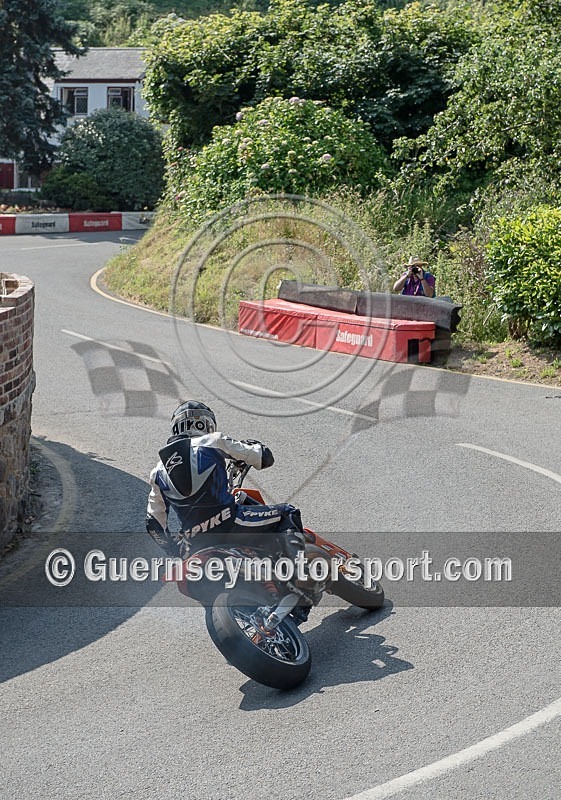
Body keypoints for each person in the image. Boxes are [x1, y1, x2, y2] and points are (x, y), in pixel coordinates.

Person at [146, 400, 305, 563]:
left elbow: (153, 524)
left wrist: (172, 548)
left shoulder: (157, 472)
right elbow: (264, 458)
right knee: (287, 513)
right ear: (206, 424)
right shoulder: (213, 441)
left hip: (193, 543)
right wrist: (256, 447)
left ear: (176, 427)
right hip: (230, 523)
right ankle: (299, 569)